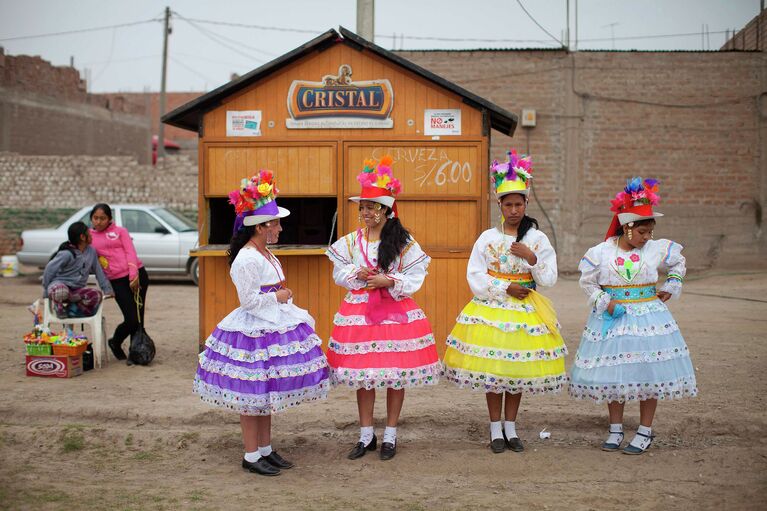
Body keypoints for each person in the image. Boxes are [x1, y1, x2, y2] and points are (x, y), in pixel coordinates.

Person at [193, 170, 329, 476]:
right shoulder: (246, 259)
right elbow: (249, 302)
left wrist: (281, 299)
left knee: (266, 394)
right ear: (261, 227)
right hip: (253, 330)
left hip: (270, 326)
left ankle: (265, 449)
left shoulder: (265, 253)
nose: (280, 228)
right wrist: (279, 297)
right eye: (276, 223)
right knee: (251, 394)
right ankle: (251, 454)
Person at [443, 150, 567, 454]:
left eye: (519, 203)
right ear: (499, 205)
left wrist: (532, 258)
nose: (514, 209)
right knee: (494, 372)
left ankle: (511, 427)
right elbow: (474, 275)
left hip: (526, 312)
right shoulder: (487, 238)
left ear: (526, 204)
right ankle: (494, 426)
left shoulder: (537, 239)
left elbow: (549, 278)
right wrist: (504, 287)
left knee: (516, 373)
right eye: (508, 204)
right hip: (493, 310)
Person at [569, 177, 697, 455]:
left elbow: (678, 261)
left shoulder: (655, 249)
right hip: (614, 319)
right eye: (642, 232)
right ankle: (615, 428)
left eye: (650, 232)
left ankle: (644, 430)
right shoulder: (601, 253)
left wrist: (671, 285)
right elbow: (587, 282)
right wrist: (605, 301)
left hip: (649, 319)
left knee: (647, 373)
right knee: (615, 374)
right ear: (627, 228)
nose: (647, 238)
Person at [326, 156, 440, 461]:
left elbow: (416, 275)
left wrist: (387, 279)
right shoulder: (351, 241)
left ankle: (390, 434)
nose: (365, 212)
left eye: (371, 207)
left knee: (394, 375)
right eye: (362, 206)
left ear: (386, 210)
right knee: (364, 374)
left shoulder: (403, 241)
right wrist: (357, 275)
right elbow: (339, 272)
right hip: (360, 314)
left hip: (394, 313)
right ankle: (366, 435)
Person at [89, 203, 149, 362]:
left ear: (109, 219)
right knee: (131, 318)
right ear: (91, 219)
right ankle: (115, 342)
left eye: (102, 218)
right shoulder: (89, 237)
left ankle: (135, 352)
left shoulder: (120, 232)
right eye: (95, 218)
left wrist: (133, 276)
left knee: (139, 319)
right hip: (116, 281)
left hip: (137, 275)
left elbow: (130, 252)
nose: (99, 222)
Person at [42, 221, 113, 318]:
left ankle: (72, 309)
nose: (91, 235)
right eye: (89, 233)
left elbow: (98, 271)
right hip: (60, 286)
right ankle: (59, 308)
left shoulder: (91, 251)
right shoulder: (66, 253)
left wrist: (107, 289)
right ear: (82, 237)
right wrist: (46, 289)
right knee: (61, 292)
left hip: (76, 291)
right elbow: (49, 270)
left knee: (97, 295)